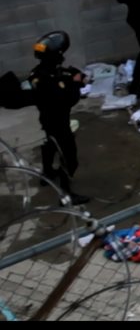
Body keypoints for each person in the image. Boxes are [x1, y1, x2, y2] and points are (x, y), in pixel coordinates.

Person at [29, 31, 89, 205]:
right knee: (69, 157)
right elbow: (68, 99)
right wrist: (76, 83)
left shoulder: (37, 73)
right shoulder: (50, 79)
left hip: (47, 119)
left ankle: (47, 173)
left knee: (50, 143)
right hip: (58, 121)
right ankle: (66, 195)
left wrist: (73, 77)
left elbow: (63, 76)